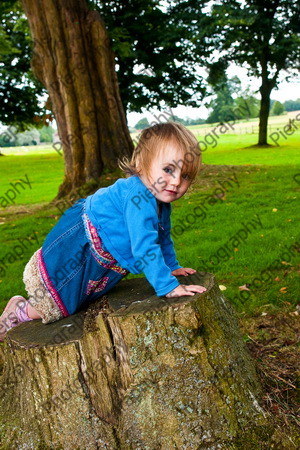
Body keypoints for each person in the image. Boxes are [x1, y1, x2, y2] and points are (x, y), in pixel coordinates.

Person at [0, 121, 207, 341]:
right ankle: (20, 311)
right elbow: (144, 245)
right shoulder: (140, 197)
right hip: (82, 241)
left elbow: (162, 237)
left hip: (101, 249)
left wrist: (171, 267)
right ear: (141, 163)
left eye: (185, 176)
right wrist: (168, 287)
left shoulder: (160, 202)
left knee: (81, 299)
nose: (175, 182)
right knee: (57, 303)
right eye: (168, 170)